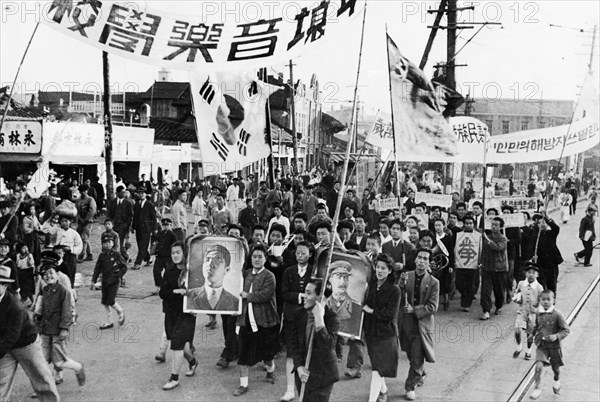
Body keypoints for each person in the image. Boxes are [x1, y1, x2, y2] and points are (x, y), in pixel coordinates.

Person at [0, 265, 61, 402]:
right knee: (1, 382)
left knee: (41, 379)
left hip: (26, 343)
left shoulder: (15, 305)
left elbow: (13, 335)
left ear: (4, 286)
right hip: (5, 345)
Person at [233, 244, 280, 396]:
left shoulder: (269, 276)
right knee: (243, 353)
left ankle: (271, 370)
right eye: (254, 256)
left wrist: (248, 296)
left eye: (260, 257)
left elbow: (265, 295)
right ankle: (243, 385)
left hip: (264, 320)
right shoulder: (246, 273)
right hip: (246, 320)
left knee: (267, 353)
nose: (257, 259)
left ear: (266, 259)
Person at [34, 262, 86, 387]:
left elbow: (67, 311)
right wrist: (37, 321)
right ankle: (46, 385)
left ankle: (78, 367)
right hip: (45, 330)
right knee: (43, 359)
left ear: (57, 274)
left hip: (57, 331)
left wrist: (64, 329)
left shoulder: (63, 292)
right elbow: (41, 310)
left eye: (51, 273)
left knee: (59, 362)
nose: (48, 276)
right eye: (44, 275)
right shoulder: (45, 290)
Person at [288, 278, 339, 402]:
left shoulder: (331, 317)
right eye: (305, 291)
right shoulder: (299, 313)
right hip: (303, 374)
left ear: (321, 298)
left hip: (323, 376)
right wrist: (299, 367)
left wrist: (320, 321)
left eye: (309, 293)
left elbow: (328, 346)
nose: (304, 296)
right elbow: (293, 344)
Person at [398, 248, 439, 401]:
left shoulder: (434, 282)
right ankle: (420, 372)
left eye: (425, 259)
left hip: (422, 325)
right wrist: (400, 285)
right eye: (419, 258)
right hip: (405, 323)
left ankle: (410, 386)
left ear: (430, 263)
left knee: (416, 356)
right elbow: (398, 295)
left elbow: (432, 307)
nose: (422, 261)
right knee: (409, 353)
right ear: (415, 259)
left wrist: (414, 310)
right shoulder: (406, 276)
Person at [159, 242, 199, 390]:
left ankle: (174, 378)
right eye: (173, 253)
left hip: (187, 314)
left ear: (185, 253)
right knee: (180, 345)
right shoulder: (169, 271)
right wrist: (175, 291)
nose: (175, 255)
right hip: (171, 313)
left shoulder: (193, 271)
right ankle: (193, 362)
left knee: (177, 343)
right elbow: (162, 293)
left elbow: (200, 292)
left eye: (178, 252)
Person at [362, 254, 400, 402]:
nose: (379, 270)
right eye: (378, 267)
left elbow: (390, 315)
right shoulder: (371, 286)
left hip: (386, 334)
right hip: (371, 332)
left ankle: (373, 399)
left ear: (390, 271)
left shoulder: (394, 290)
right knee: (377, 366)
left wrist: (371, 311)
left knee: (377, 370)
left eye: (383, 268)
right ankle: (383, 390)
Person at [280, 241, 314, 402]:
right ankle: (289, 389)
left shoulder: (314, 272)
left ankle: (307, 390)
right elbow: (284, 293)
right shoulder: (288, 271)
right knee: (291, 353)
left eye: (303, 253)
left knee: (308, 352)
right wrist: (299, 296)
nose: (300, 256)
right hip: (291, 316)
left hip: (308, 317)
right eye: (298, 253)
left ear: (310, 254)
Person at [326, 260, 364, 379]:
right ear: (330, 279)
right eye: (338, 277)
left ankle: (354, 367)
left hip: (350, 331)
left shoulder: (356, 306)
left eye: (345, 278)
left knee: (358, 338)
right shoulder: (323, 304)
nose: (342, 282)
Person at [529, 290, 570, 399]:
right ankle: (537, 388)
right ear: (540, 300)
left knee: (555, 369)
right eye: (543, 299)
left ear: (553, 300)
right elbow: (537, 326)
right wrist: (532, 334)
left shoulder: (557, 314)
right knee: (538, 366)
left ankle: (557, 380)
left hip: (554, 347)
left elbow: (566, 330)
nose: (546, 302)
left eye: (548, 299)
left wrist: (556, 336)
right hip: (542, 345)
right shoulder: (538, 313)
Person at [90, 233, 127, 330]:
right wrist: (93, 280)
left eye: (109, 242)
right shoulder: (102, 256)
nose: (107, 244)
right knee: (105, 302)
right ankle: (109, 321)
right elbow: (97, 268)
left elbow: (124, 267)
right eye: (104, 242)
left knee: (111, 300)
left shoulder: (116, 254)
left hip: (114, 281)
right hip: (105, 281)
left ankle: (120, 311)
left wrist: (118, 276)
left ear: (112, 243)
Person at [187, 244, 240, 311]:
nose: (210, 264)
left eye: (218, 260)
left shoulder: (235, 302)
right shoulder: (188, 296)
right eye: (207, 259)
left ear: (227, 270)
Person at [512, 262, 544, 361]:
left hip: (533, 313)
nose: (531, 274)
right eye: (529, 272)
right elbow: (517, 292)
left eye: (533, 273)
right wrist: (516, 297)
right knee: (517, 329)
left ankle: (528, 351)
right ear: (525, 274)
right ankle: (519, 346)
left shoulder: (539, 287)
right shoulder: (521, 284)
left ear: (537, 275)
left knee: (530, 334)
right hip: (522, 311)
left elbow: (542, 301)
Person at [41, 215, 82, 287]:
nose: (64, 223)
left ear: (70, 222)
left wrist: (70, 249)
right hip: (58, 256)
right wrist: (51, 217)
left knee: (70, 276)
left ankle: (70, 292)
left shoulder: (74, 233)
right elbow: (44, 228)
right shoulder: (57, 230)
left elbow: (79, 246)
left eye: (66, 221)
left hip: (70, 257)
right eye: (62, 221)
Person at [480, 217, 508, 320]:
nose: (493, 227)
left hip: (499, 268)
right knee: (485, 290)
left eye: (496, 225)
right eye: (492, 225)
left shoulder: (503, 238)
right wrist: (481, 262)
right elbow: (483, 252)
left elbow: (498, 247)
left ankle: (499, 306)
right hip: (487, 267)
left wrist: (487, 240)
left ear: (500, 227)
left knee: (499, 290)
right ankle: (486, 310)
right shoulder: (487, 237)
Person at [454, 215, 481, 312]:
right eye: (467, 223)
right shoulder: (459, 235)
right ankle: (463, 296)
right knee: (459, 283)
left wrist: (480, 261)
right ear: (464, 224)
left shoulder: (478, 235)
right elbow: (455, 248)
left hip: (473, 264)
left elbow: (480, 249)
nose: (468, 225)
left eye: (470, 223)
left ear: (473, 224)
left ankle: (467, 303)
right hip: (461, 263)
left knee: (470, 284)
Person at [532, 213, 562, 297]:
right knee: (542, 285)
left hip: (552, 264)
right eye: (539, 223)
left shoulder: (551, 233)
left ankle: (552, 301)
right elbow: (531, 249)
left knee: (552, 285)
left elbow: (556, 228)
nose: (541, 224)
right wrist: (533, 256)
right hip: (540, 265)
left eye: (543, 222)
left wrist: (548, 218)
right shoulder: (535, 236)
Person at [106, 185, 134, 264]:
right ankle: (125, 257)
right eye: (122, 192)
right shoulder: (113, 202)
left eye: (124, 192)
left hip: (124, 226)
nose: (124, 194)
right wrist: (109, 223)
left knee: (120, 243)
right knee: (115, 242)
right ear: (117, 193)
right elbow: (110, 213)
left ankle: (121, 259)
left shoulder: (128, 203)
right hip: (115, 226)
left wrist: (129, 226)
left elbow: (130, 215)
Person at [132, 188, 158, 270]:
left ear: (145, 194)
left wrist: (155, 228)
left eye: (142, 193)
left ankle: (137, 263)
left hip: (147, 228)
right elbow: (135, 217)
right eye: (139, 193)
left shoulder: (150, 205)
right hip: (138, 228)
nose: (141, 195)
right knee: (140, 245)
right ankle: (148, 258)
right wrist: (133, 227)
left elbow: (154, 218)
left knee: (143, 246)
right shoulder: (136, 205)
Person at [153, 218, 177, 291]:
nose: (165, 227)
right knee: (156, 271)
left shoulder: (172, 235)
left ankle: (167, 287)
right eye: (164, 225)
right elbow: (157, 242)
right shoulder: (160, 233)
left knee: (168, 273)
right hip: (160, 256)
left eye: (167, 225)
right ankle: (159, 285)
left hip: (168, 257)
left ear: (170, 225)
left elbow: (174, 246)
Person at [75, 184, 97, 263]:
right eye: (81, 191)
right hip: (81, 221)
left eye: (84, 191)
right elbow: (76, 210)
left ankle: (81, 256)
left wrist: (86, 219)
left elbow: (92, 210)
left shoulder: (91, 199)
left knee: (84, 238)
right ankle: (90, 254)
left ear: (86, 191)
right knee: (82, 238)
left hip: (88, 222)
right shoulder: (78, 200)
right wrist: (80, 219)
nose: (83, 193)